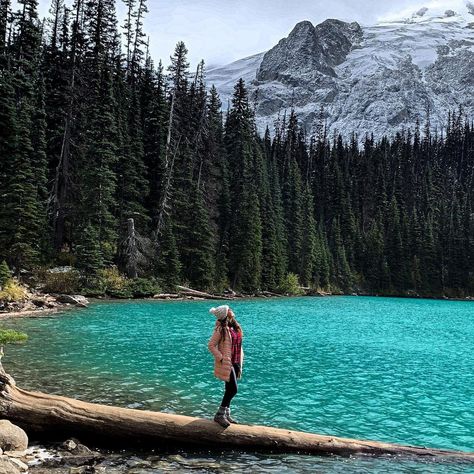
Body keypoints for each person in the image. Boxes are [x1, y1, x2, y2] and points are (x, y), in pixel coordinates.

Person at [208, 305, 244, 428]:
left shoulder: (233, 326)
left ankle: (226, 414)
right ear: (225, 314)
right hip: (227, 362)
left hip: (236, 361)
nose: (232, 310)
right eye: (229, 310)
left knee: (229, 389)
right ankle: (219, 414)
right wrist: (221, 358)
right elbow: (211, 345)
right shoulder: (221, 329)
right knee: (233, 389)